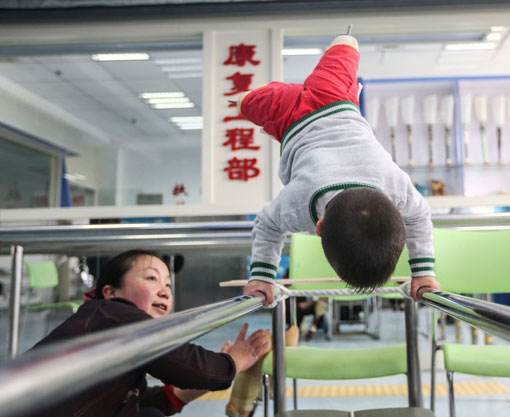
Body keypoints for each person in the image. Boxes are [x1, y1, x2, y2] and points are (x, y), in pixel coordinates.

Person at [240, 33, 440, 305]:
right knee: (247, 103)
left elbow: (419, 215)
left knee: (345, 51)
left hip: (339, 99)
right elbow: (267, 223)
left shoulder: (395, 186)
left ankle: (346, 41)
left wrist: (424, 271)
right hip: (289, 116)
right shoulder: (301, 202)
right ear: (319, 227)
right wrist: (262, 277)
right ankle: (243, 101)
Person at [30, 249, 270, 417]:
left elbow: (136, 401)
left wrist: (214, 371)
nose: (165, 292)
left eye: (168, 285)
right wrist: (233, 361)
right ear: (110, 292)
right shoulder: (111, 314)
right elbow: (201, 370)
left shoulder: (108, 327)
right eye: (152, 279)